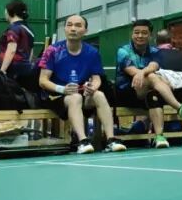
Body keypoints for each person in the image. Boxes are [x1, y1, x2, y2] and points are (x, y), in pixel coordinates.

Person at [38, 14, 125, 154]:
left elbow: (96, 78)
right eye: (69, 25)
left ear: (85, 31)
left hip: (82, 94)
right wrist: (62, 89)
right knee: (75, 98)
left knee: (99, 95)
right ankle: (83, 141)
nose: (73, 28)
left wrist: (93, 87)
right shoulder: (52, 51)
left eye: (78, 26)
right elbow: (43, 80)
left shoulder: (92, 52)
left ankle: (111, 140)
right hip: (56, 96)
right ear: (65, 29)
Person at [114, 19, 182, 149]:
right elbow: (131, 70)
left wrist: (144, 73)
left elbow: (154, 65)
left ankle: (159, 137)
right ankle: (180, 108)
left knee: (154, 95)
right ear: (132, 34)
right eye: (136, 32)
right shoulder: (123, 51)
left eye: (144, 33)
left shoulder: (155, 51)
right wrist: (144, 73)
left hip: (146, 91)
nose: (140, 36)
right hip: (126, 93)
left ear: (150, 35)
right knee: (153, 77)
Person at [0, 0, 37, 88]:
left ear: (12, 12)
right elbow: (31, 52)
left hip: (12, 70)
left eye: (6, 11)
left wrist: (2, 71)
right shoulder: (29, 29)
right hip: (27, 69)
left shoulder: (14, 28)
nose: (5, 13)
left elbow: (11, 50)